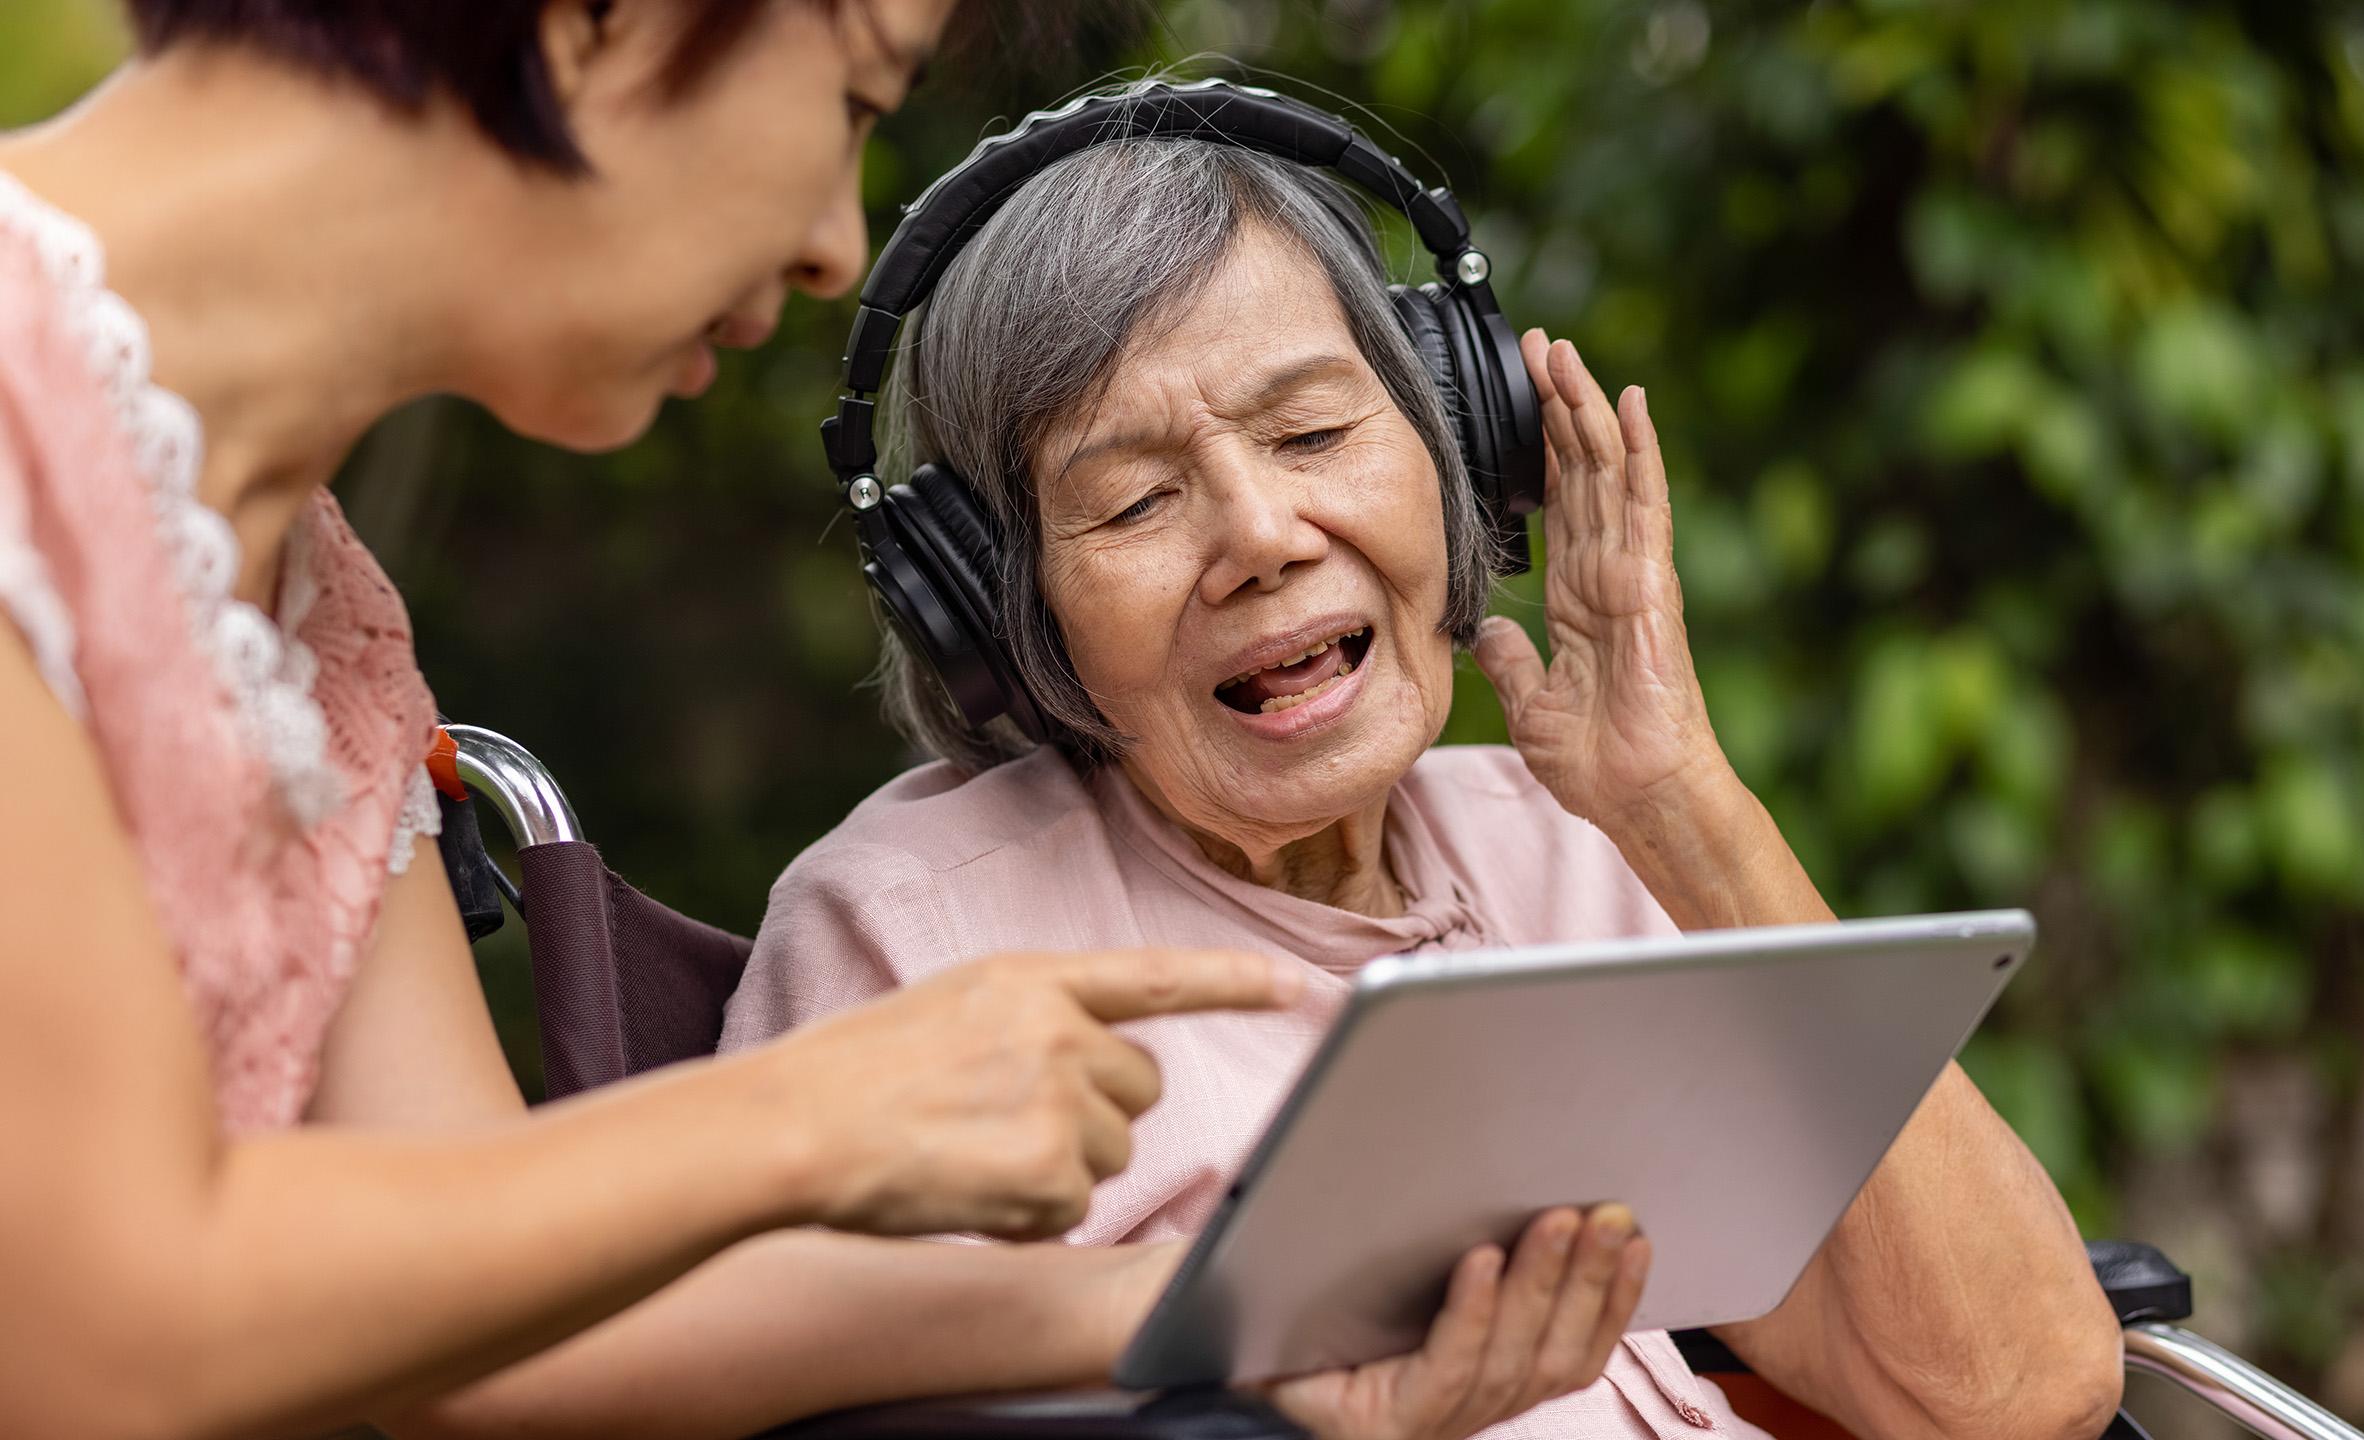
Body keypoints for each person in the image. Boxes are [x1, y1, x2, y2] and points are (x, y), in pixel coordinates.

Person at [0, 5, 1647, 1437]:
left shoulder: (304, 596)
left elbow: (494, 1358)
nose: (833, 250)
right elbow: (102, 1336)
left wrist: (1227, 1322)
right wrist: (812, 1115)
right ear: (598, 22)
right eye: (857, 94)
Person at [723, 131, 2132, 1440]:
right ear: (995, 609)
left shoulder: (1562, 846)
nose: (1263, 535)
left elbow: (2014, 1393)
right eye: (1138, 501)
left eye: (1313, 434)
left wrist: (1682, 806)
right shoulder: (914, 934)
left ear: (1452, 452)